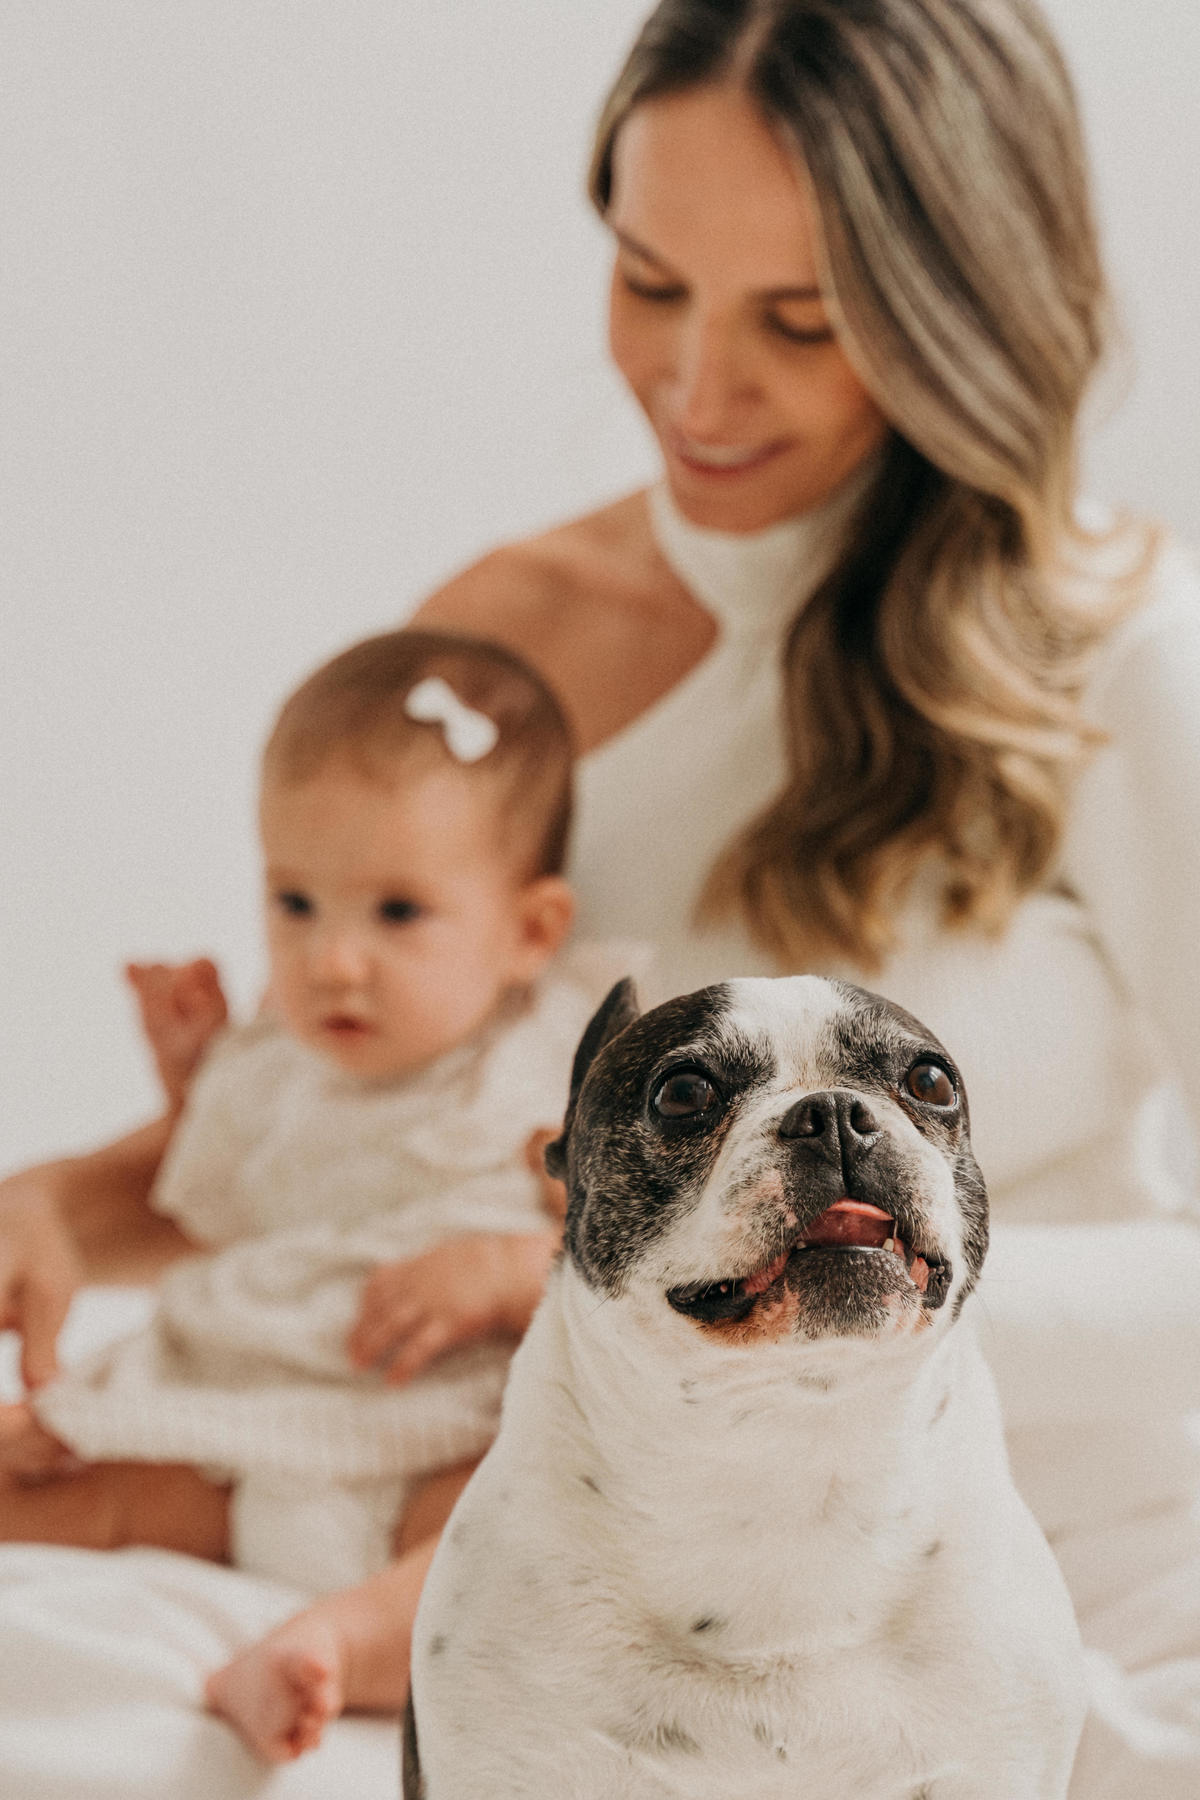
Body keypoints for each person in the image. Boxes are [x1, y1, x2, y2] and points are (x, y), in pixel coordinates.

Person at [4, 0, 1200, 1791]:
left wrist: (778, 1261)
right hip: (583, 1539)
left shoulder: (1119, 658)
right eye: (650, 282)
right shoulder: (503, 642)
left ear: (962, 313)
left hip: (1043, 1542)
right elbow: (370, 1109)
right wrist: (67, 1212)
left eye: (802, 322)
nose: (697, 391)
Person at [0, 625, 622, 1631]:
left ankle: (355, 1642)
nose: (332, 961)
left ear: (530, 932)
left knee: (532, 1527)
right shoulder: (283, 1063)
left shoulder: (565, 1068)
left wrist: (515, 1269)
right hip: (245, 1417)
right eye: (295, 902)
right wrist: (198, 1087)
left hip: (437, 1432)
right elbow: (227, 1202)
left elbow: (644, 1267)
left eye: (397, 913)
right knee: (50, 1484)